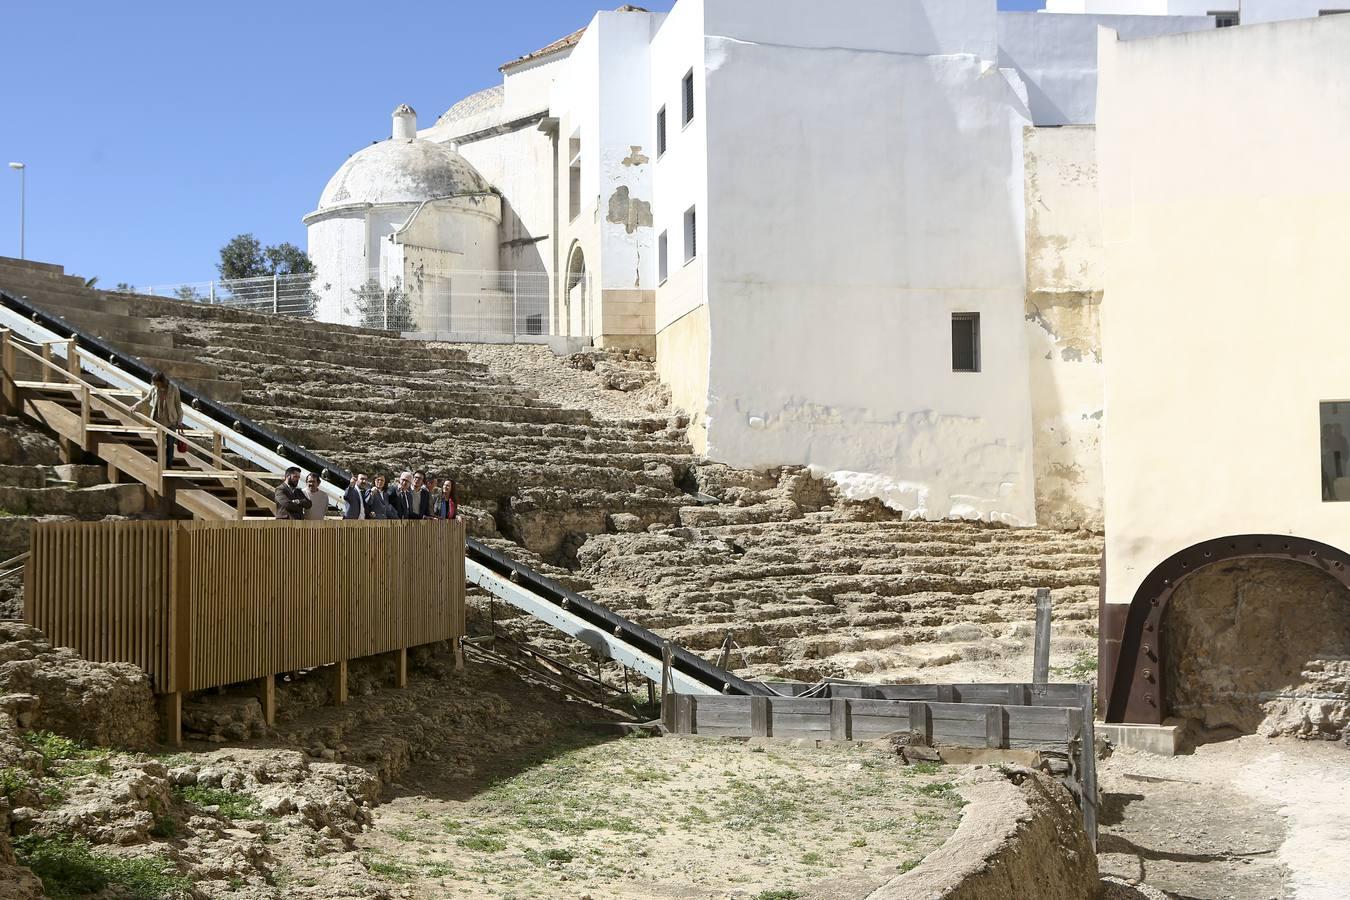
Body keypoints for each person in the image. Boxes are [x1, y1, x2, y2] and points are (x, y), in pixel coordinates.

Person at [134, 372, 183, 469]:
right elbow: (147, 399)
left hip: (171, 420)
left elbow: (178, 405)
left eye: (157, 383)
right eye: (154, 383)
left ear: (162, 381)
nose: (156, 385)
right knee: (160, 444)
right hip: (158, 421)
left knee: (170, 445)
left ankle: (169, 466)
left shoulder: (173, 388)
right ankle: (160, 464)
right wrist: (136, 405)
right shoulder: (154, 389)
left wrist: (180, 420)